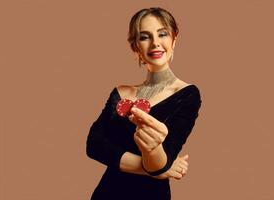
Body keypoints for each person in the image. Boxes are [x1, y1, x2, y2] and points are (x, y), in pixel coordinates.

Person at [86, 7, 202, 200]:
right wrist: (161, 169)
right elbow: (94, 145)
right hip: (107, 193)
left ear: (174, 39)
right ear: (135, 46)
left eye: (162, 34)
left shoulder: (188, 94)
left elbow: (159, 162)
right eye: (145, 37)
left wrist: (155, 154)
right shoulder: (120, 92)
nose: (155, 43)